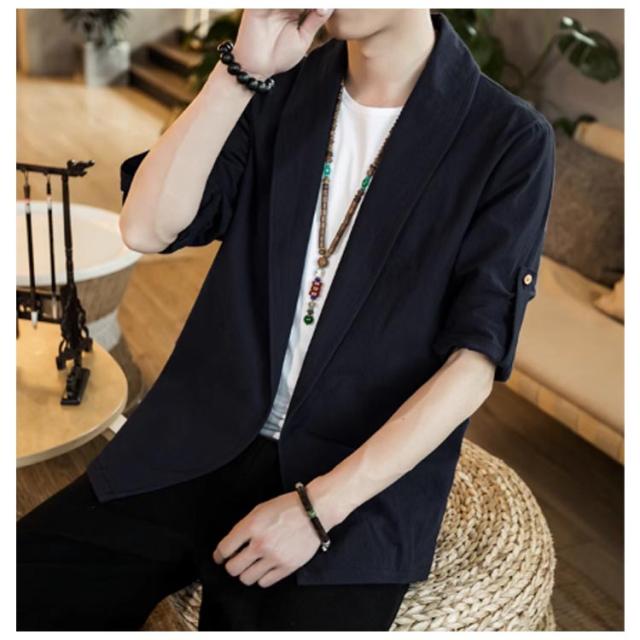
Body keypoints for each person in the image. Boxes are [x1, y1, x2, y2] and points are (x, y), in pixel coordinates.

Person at [17, 8, 556, 631]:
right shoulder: (278, 87)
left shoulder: (508, 138)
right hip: (201, 434)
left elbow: (474, 363)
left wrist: (317, 509)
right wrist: (238, 73)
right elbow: (145, 227)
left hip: (352, 481)